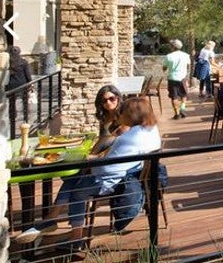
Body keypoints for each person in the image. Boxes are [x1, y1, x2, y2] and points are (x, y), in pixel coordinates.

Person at [15, 97, 161, 247]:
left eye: (122, 113)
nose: (120, 115)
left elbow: (107, 168)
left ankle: (69, 233)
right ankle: (53, 221)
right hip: (130, 173)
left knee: (77, 189)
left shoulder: (130, 138)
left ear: (131, 115)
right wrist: (94, 161)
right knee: (75, 177)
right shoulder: (150, 129)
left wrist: (91, 166)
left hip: (116, 181)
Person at [91, 84, 123, 155]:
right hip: (104, 154)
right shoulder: (103, 117)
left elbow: (120, 141)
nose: (108, 102)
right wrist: (92, 152)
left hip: (118, 153)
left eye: (112, 98)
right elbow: (102, 139)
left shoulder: (124, 115)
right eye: (104, 100)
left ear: (118, 98)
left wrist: (98, 156)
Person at [163, 39, 190, 120]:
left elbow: (164, 68)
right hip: (182, 78)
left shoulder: (168, 56)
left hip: (172, 78)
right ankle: (182, 108)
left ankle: (177, 114)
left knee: (174, 97)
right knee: (184, 94)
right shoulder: (186, 55)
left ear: (172, 47)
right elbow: (188, 66)